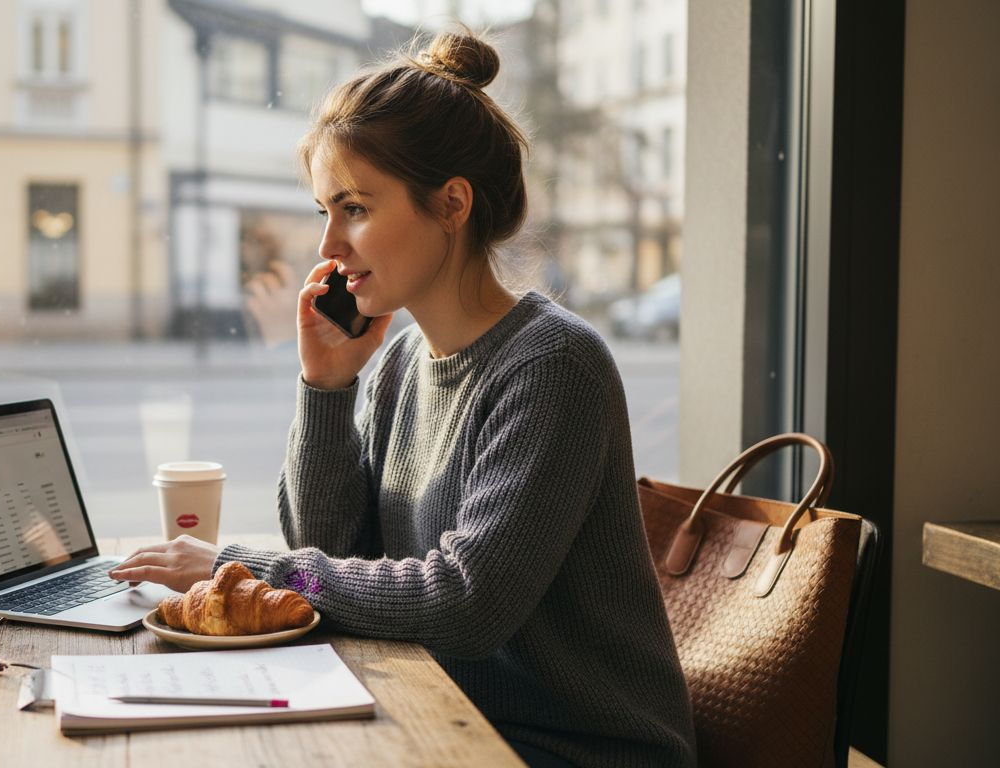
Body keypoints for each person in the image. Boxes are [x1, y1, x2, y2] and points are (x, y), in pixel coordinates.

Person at [110, 29, 696, 768]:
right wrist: (327, 386)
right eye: (325, 209)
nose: (329, 245)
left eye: (353, 207)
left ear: (451, 203)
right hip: (443, 716)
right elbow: (328, 549)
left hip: (575, 749)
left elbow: (465, 603)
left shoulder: (554, 366)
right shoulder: (401, 360)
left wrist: (240, 566)